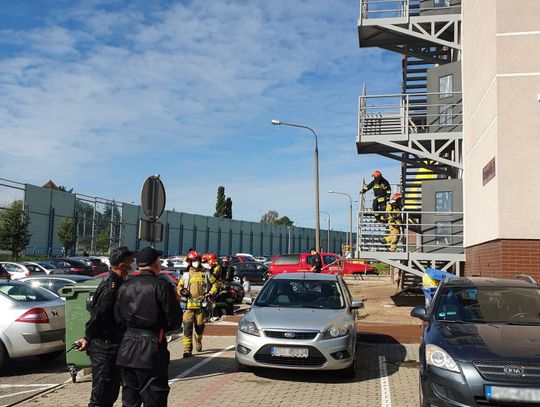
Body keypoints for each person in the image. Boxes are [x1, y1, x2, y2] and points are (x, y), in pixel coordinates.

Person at [114, 247, 181, 407]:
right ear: (155, 263)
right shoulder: (162, 286)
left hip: (127, 348)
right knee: (155, 398)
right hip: (151, 348)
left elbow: (118, 317)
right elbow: (174, 321)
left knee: (130, 400)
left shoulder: (125, 286)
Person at [74, 246, 134, 407]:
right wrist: (88, 337)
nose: (133, 262)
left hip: (112, 345)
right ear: (122, 265)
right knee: (102, 396)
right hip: (104, 347)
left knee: (110, 391)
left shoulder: (118, 282)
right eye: (130, 260)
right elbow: (100, 315)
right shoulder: (112, 286)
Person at [177, 250, 218, 358]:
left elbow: (215, 284)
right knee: (187, 328)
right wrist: (182, 291)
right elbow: (179, 287)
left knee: (199, 327)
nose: (196, 262)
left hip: (201, 306)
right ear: (190, 262)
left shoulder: (205, 274)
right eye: (193, 260)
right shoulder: (186, 275)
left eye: (197, 260)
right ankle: (187, 350)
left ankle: (198, 339)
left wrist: (211, 293)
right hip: (188, 306)